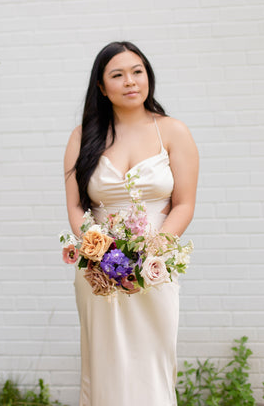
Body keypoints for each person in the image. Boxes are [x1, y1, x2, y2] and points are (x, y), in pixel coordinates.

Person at [64, 41, 199, 406]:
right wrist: (100, 253)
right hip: (98, 271)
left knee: (151, 362)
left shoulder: (172, 131)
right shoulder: (82, 137)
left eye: (137, 71)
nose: (130, 81)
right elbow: (76, 206)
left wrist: (147, 255)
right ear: (101, 86)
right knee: (104, 364)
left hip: (153, 267)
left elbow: (184, 204)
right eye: (118, 75)